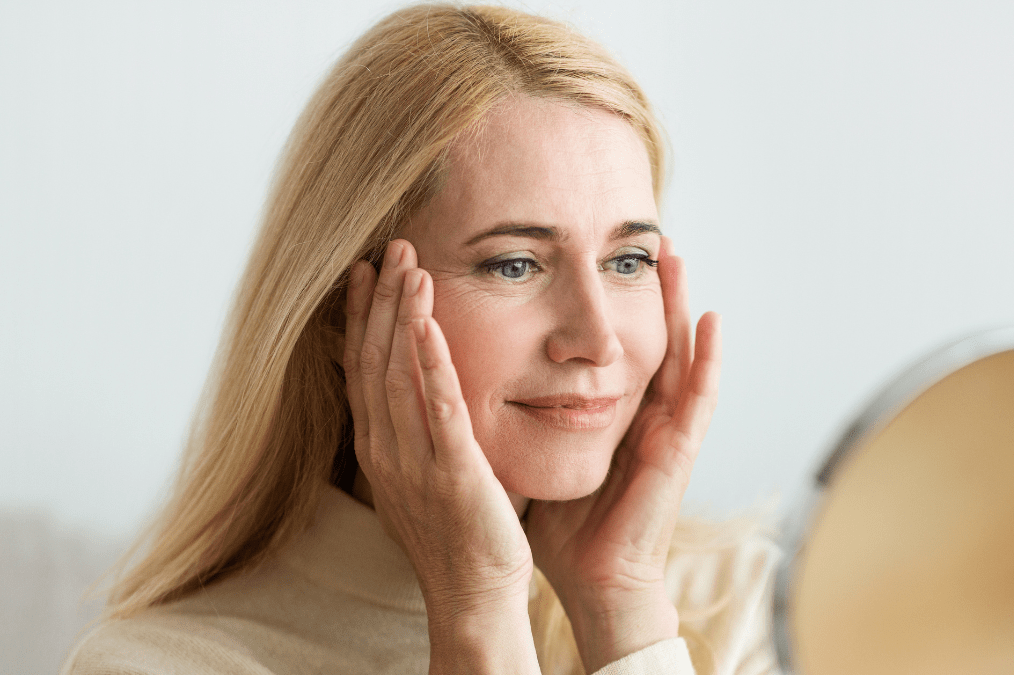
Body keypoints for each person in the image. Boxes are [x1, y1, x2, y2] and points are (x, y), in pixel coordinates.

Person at [61, 4, 779, 675]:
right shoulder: (158, 662)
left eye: (629, 261)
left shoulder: (747, 609)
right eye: (515, 264)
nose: (597, 339)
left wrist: (623, 608)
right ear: (349, 312)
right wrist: (477, 617)